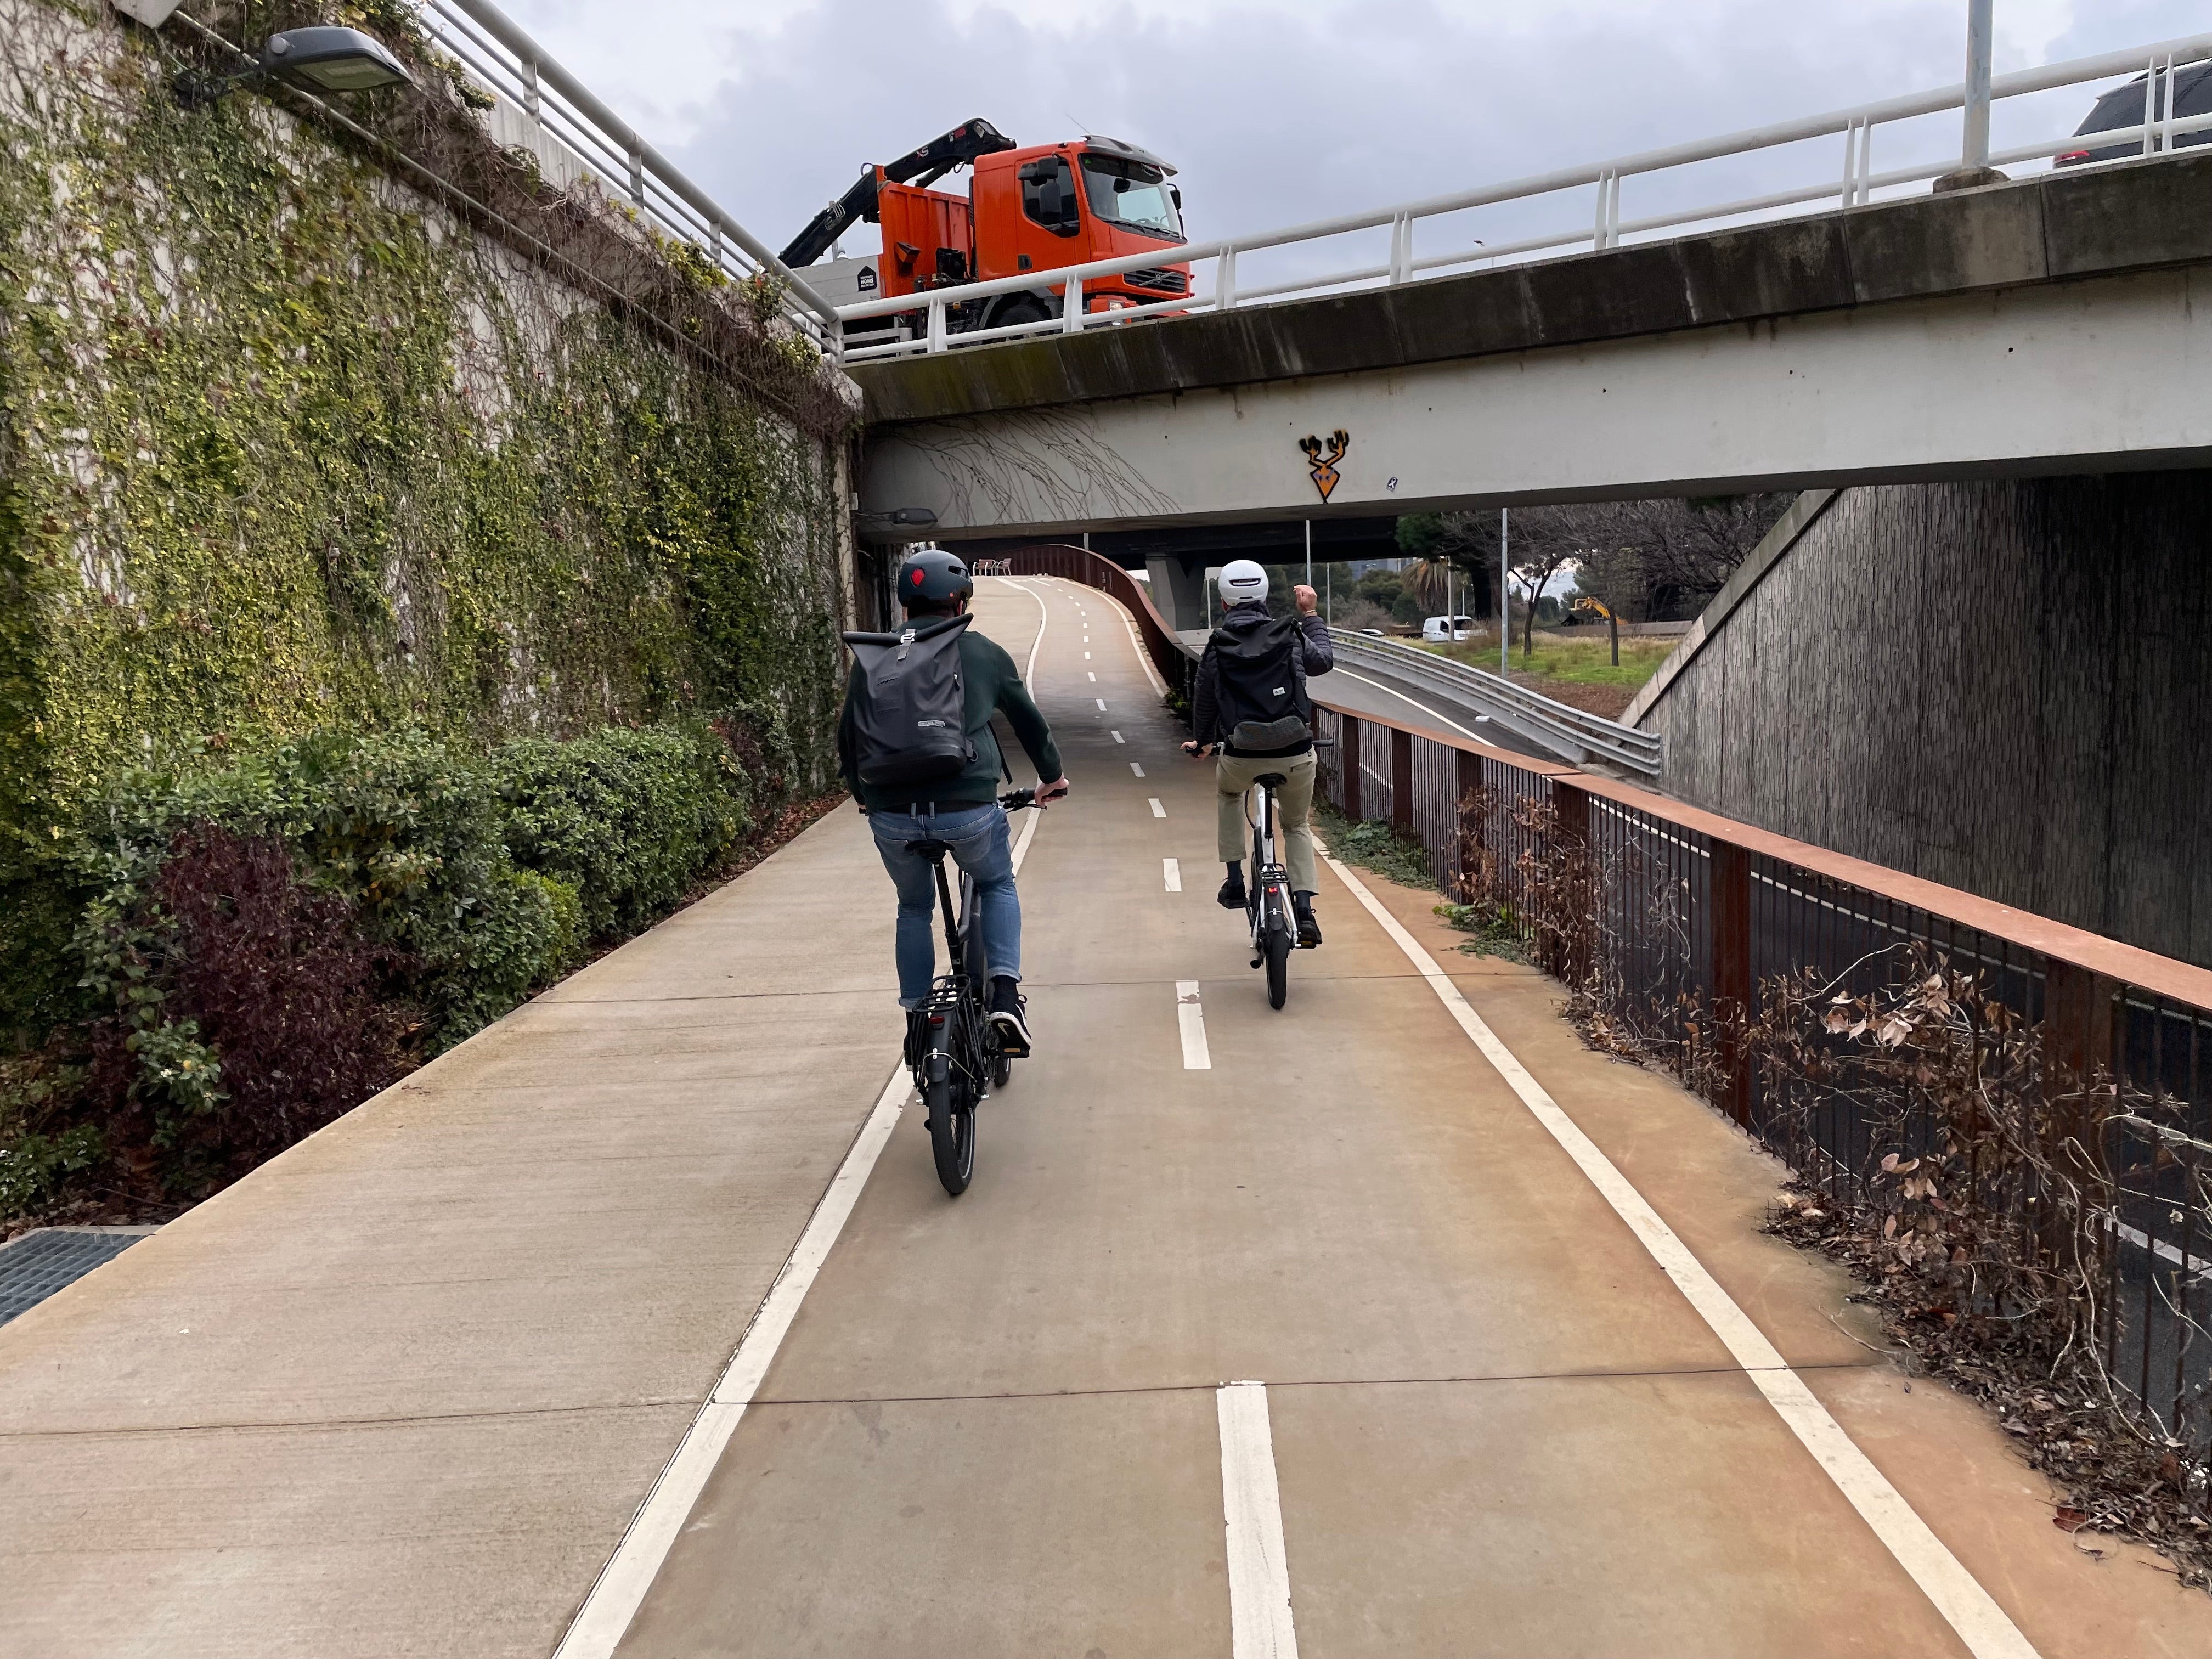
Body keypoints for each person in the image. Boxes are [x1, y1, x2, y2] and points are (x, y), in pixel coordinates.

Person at [838, 549, 1070, 1060]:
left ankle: (917, 1022)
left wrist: (867, 799)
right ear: (962, 600)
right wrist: (1051, 778)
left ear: (905, 605)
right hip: (967, 807)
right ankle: (1006, 998)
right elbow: (1030, 724)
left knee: (914, 906)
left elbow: (848, 742)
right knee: (995, 881)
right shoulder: (982, 652)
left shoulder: (873, 659)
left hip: (892, 816)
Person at [1182, 559, 1333, 945]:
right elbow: (1323, 662)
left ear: (1224, 603)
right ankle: (1304, 911)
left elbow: (1205, 703)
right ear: (1265, 596)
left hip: (1242, 754)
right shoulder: (1291, 633)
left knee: (1230, 793)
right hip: (1296, 751)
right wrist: (1311, 613)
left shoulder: (1217, 645)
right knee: (1296, 826)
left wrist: (1202, 742)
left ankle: (1234, 882)